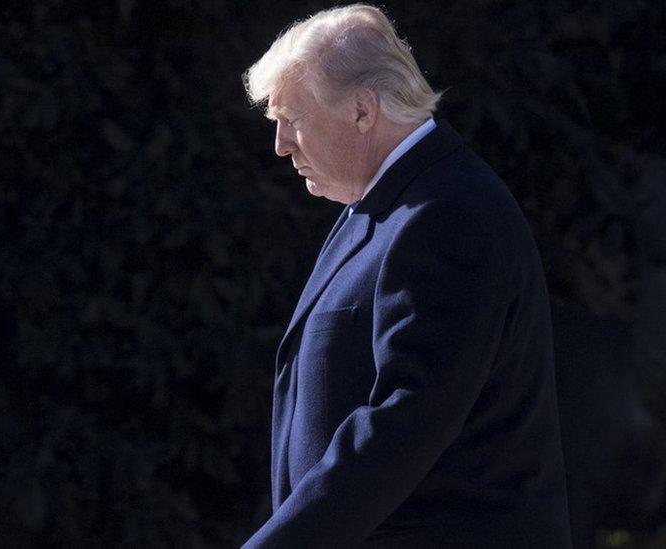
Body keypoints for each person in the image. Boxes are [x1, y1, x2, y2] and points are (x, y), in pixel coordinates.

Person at [240, 4, 572, 548]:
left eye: (292, 120)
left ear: (363, 111)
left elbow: (406, 422)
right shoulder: (382, 207)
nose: (280, 144)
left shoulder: (446, 214)